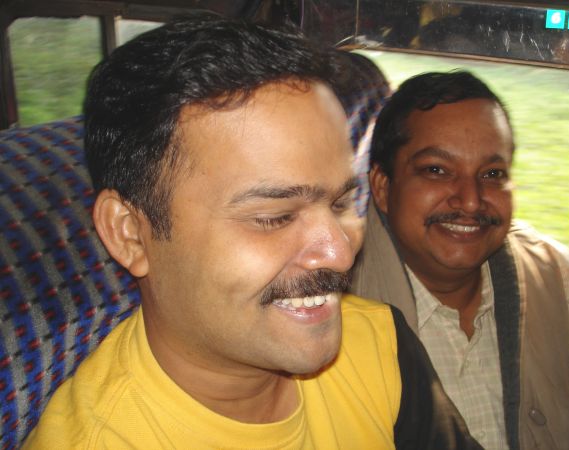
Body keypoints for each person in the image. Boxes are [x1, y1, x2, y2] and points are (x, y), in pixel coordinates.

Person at [23, 15, 481, 449]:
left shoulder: (379, 344)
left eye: (341, 203)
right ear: (129, 235)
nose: (340, 254)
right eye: (274, 217)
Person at [350, 70, 569, 450]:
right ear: (383, 187)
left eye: (492, 174)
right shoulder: (334, 305)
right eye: (437, 170)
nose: (470, 200)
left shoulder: (564, 289)